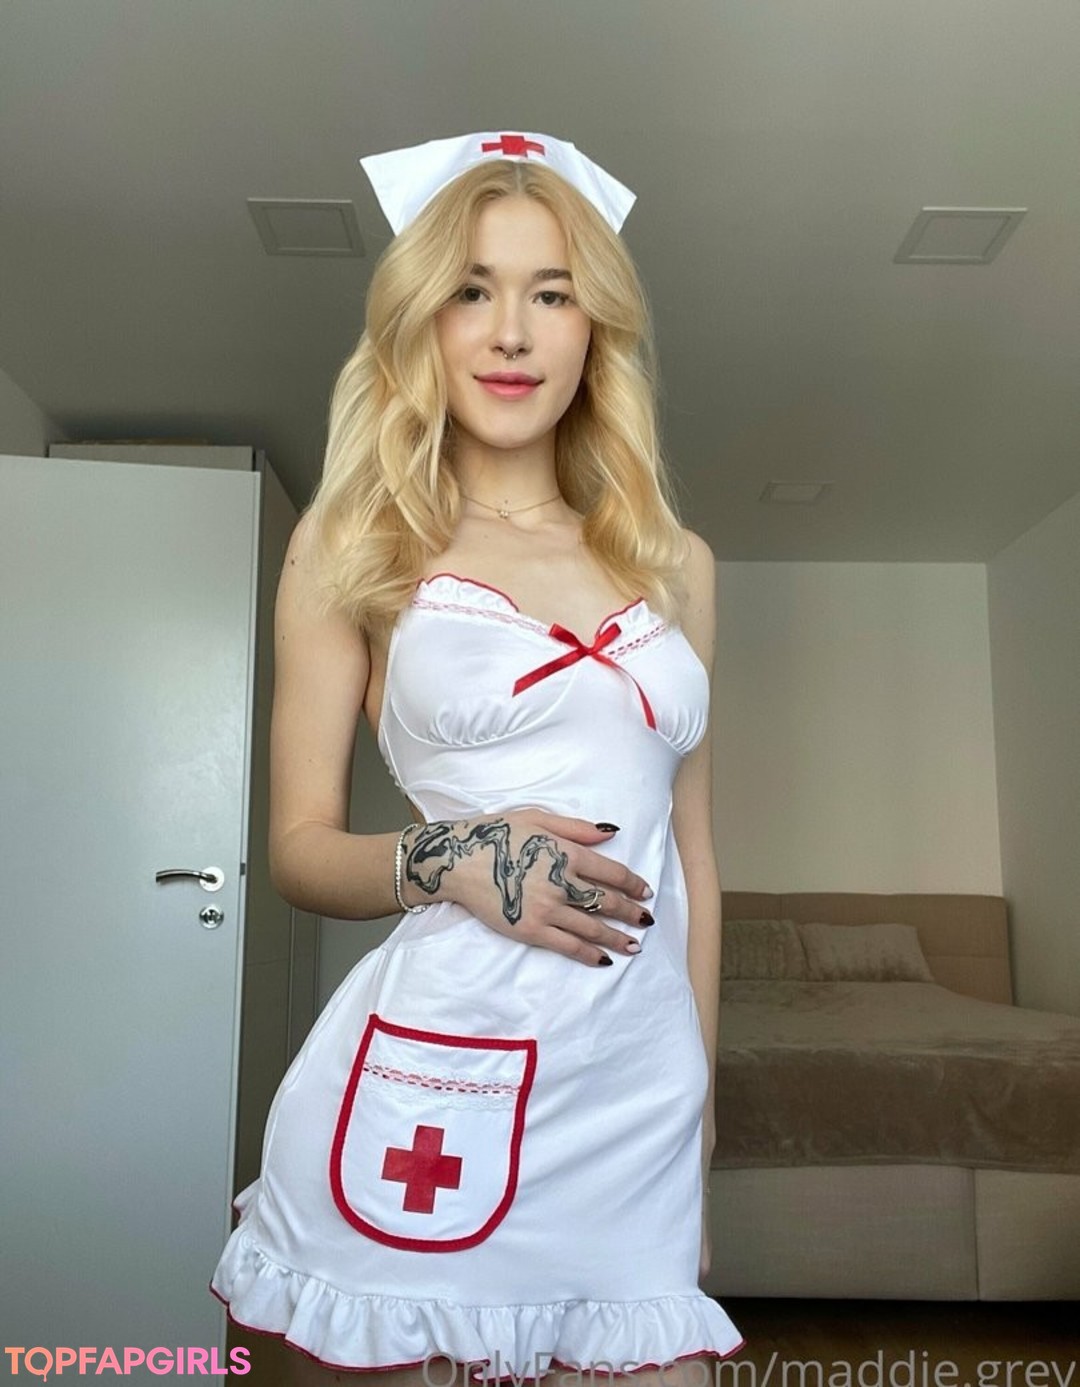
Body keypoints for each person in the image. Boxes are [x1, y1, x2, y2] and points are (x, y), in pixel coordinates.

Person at [211, 131, 744, 1385]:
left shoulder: (676, 563)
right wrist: (454, 854)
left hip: (632, 1089)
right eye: (471, 289)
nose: (511, 333)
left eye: (551, 293)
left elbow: (696, 861)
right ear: (422, 321)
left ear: (594, 327)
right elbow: (297, 849)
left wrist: (701, 1109)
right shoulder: (353, 545)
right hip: (441, 1066)